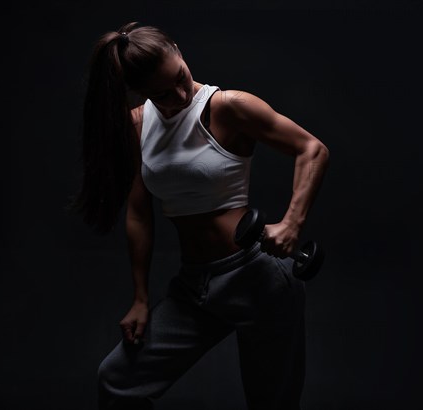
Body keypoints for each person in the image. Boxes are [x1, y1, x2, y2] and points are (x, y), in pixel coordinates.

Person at [67, 21, 330, 410]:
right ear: (141, 94)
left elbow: (312, 149)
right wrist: (140, 297)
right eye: (162, 93)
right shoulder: (138, 125)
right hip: (196, 286)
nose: (179, 94)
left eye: (180, 77)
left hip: (258, 277)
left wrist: (292, 222)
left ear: (177, 49)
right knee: (118, 379)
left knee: (272, 403)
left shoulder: (230, 107)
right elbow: (139, 213)